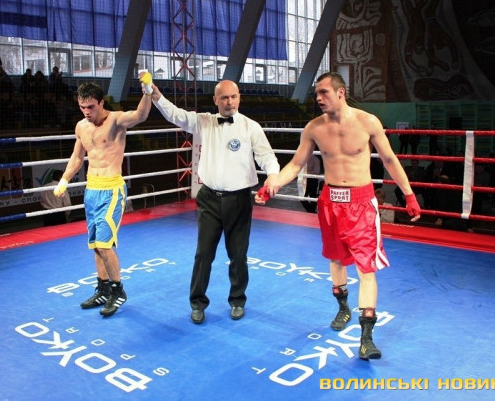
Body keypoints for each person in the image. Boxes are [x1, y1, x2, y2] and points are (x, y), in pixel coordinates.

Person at [257, 72, 421, 360]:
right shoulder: (314, 128)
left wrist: (408, 194)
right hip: (330, 202)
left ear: (341, 92)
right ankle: (343, 308)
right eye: (316, 94)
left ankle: (366, 338)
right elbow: (295, 164)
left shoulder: (368, 122)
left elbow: (389, 159)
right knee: (335, 259)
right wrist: (274, 185)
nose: (318, 98)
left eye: (324, 92)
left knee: (366, 267)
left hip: (361, 203)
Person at [148, 79, 280, 324]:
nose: (229, 102)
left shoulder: (251, 127)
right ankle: (197, 303)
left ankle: (237, 300)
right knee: (203, 254)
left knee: (238, 255)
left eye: (233, 97)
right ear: (215, 100)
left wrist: (272, 176)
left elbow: (266, 156)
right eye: (224, 97)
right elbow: (175, 115)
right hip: (209, 199)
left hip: (239, 199)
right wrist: (156, 97)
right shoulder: (204, 121)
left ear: (239, 98)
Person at [53, 79, 153, 317]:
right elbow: (77, 157)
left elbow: (140, 115)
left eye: (91, 107)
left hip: (111, 190)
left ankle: (118, 291)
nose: (86, 112)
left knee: (105, 245)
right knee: (96, 246)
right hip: (92, 190)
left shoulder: (116, 120)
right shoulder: (81, 127)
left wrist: (147, 91)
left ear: (101, 103)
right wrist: (65, 179)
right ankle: (103, 289)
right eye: (82, 107)